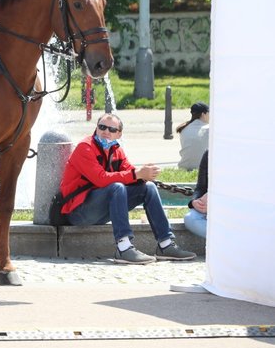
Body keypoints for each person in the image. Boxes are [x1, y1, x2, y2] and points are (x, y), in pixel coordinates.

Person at [59, 113, 196, 264]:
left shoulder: (117, 150)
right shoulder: (85, 147)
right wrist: (136, 174)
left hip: (100, 210)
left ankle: (166, 245)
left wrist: (144, 175)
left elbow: (130, 173)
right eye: (102, 127)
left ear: (119, 134)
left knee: (148, 188)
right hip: (79, 212)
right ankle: (124, 248)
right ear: (96, 128)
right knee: (116, 187)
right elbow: (101, 179)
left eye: (111, 129)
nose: (106, 131)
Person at [177, 101, 209, 170]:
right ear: (203, 114)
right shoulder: (209, 129)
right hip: (201, 168)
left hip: (183, 167)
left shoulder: (184, 129)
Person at [184, 149, 208, 239]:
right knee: (190, 218)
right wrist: (194, 202)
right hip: (208, 208)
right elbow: (201, 187)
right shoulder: (209, 153)